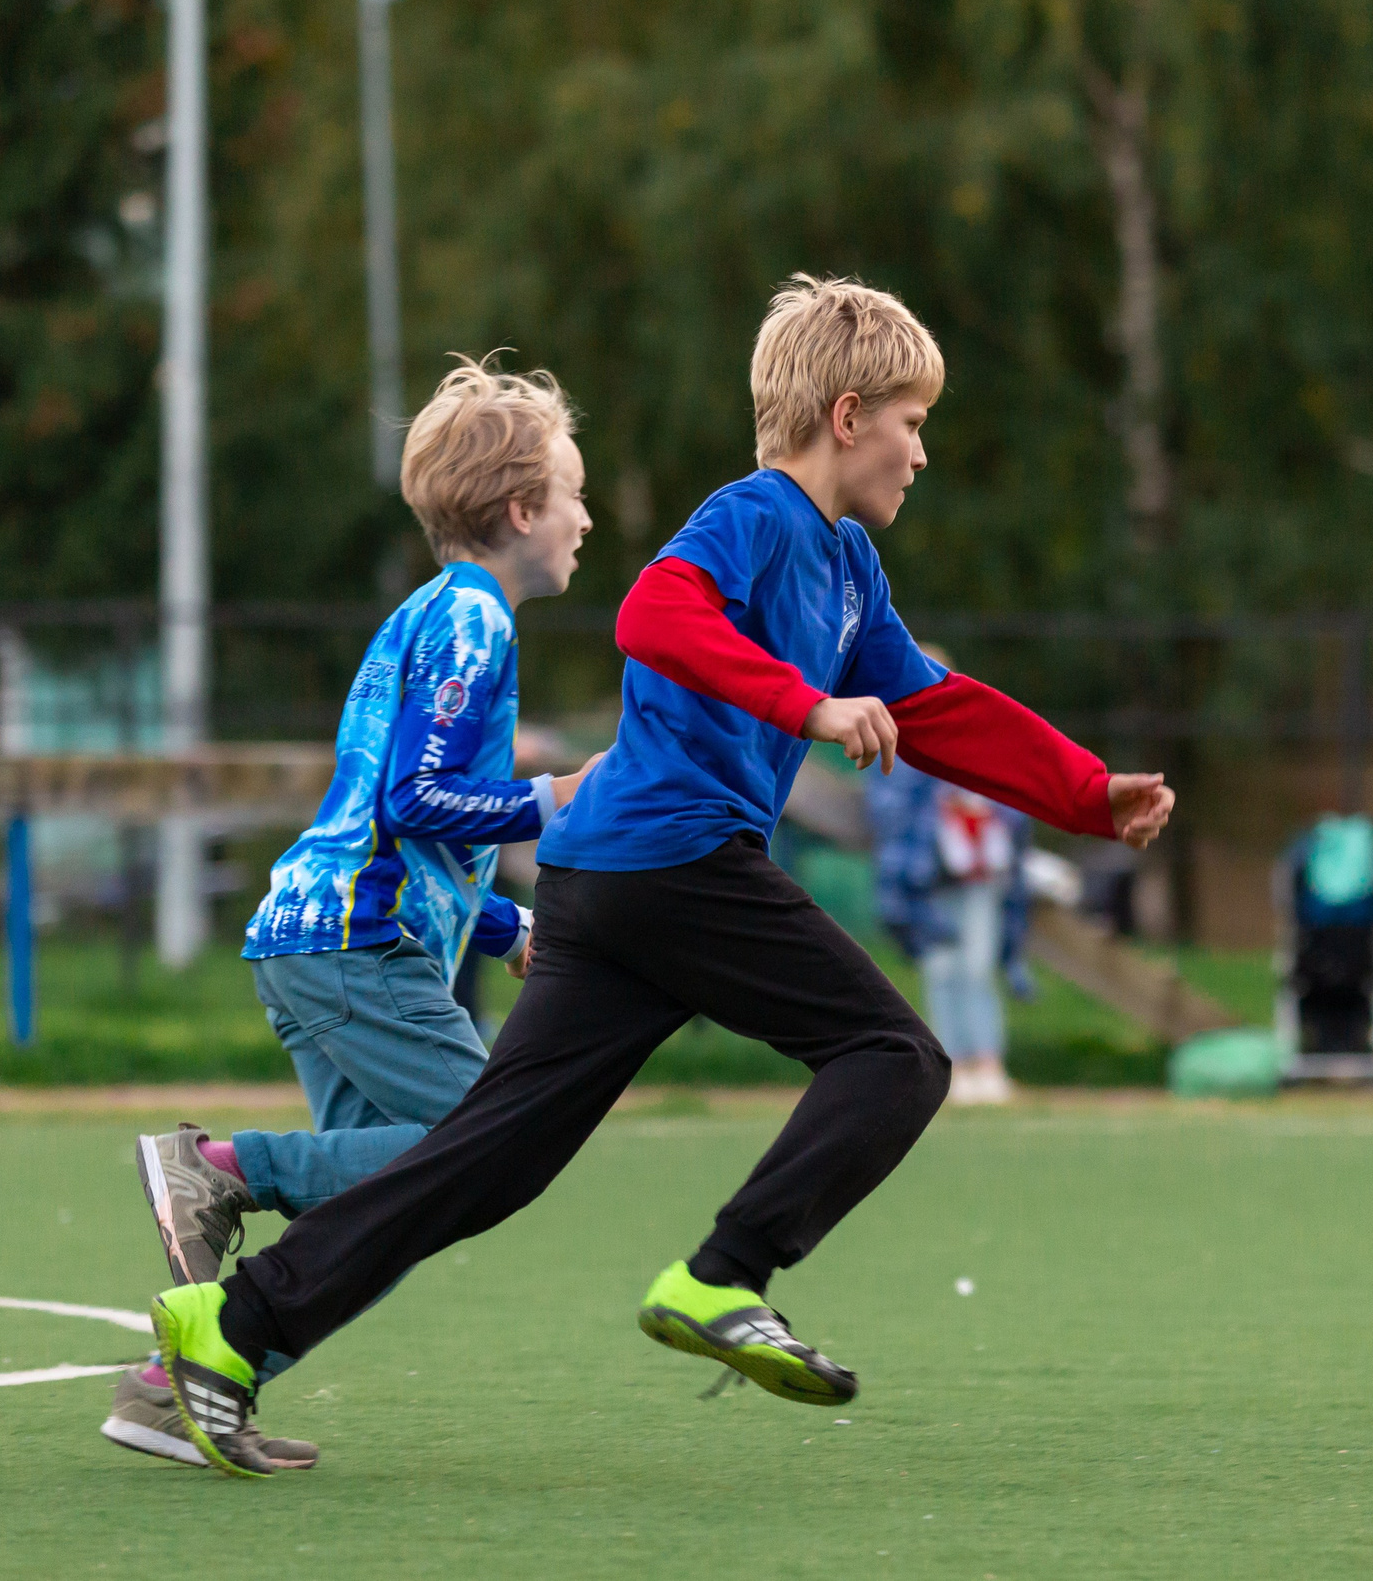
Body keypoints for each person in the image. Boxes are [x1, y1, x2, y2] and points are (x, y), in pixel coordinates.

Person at [145, 274, 1176, 1478]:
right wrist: (809, 704)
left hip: (605, 880)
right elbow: (652, 613)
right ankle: (724, 1276)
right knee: (896, 1057)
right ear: (847, 416)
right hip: (677, 862)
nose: (921, 451)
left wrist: (1082, 793)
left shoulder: (847, 570)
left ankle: (232, 1326)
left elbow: (938, 706)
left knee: (493, 1155)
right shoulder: (753, 516)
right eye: (911, 420)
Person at [100, 359, 599, 1471]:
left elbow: (405, 834)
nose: (586, 517)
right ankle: (222, 1168)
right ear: (519, 511)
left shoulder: (435, 614)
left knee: (398, 1206)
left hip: (334, 936)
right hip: (351, 948)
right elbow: (411, 800)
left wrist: (503, 929)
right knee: (486, 1144)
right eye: (572, 493)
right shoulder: (475, 622)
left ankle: (181, 1387)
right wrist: (551, 801)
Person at [868, 716, 1032, 1106]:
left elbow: (1011, 809)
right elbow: (890, 817)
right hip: (925, 882)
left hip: (978, 877)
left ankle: (989, 1064)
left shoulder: (978, 743)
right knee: (941, 971)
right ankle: (952, 1066)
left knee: (977, 968)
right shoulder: (894, 755)